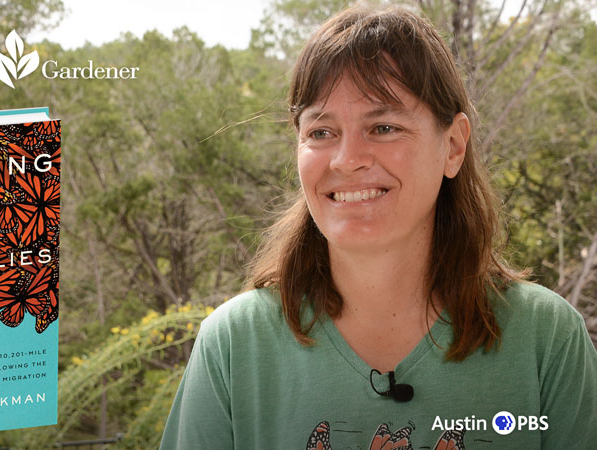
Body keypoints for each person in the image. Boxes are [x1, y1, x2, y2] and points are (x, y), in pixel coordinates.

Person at [160, 4, 597, 449]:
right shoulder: (234, 346)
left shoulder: (545, 340)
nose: (348, 159)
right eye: (321, 132)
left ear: (452, 146)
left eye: (384, 126)